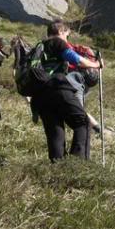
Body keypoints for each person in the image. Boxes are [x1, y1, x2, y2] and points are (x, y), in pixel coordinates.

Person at [31, 20, 103, 162]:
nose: (66, 39)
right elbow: (76, 60)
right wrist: (96, 64)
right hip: (57, 87)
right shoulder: (57, 42)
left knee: (55, 132)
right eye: (67, 35)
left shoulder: (38, 47)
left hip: (39, 95)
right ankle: (77, 165)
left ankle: (58, 167)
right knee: (83, 122)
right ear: (60, 32)